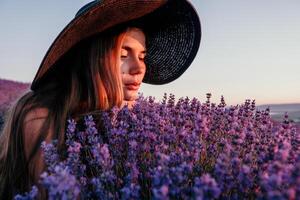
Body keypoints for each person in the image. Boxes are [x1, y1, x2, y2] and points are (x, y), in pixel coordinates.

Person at [0, 0, 201, 198]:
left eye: (142, 57)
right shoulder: (41, 115)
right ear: (94, 57)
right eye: (123, 55)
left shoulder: (121, 116)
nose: (139, 68)